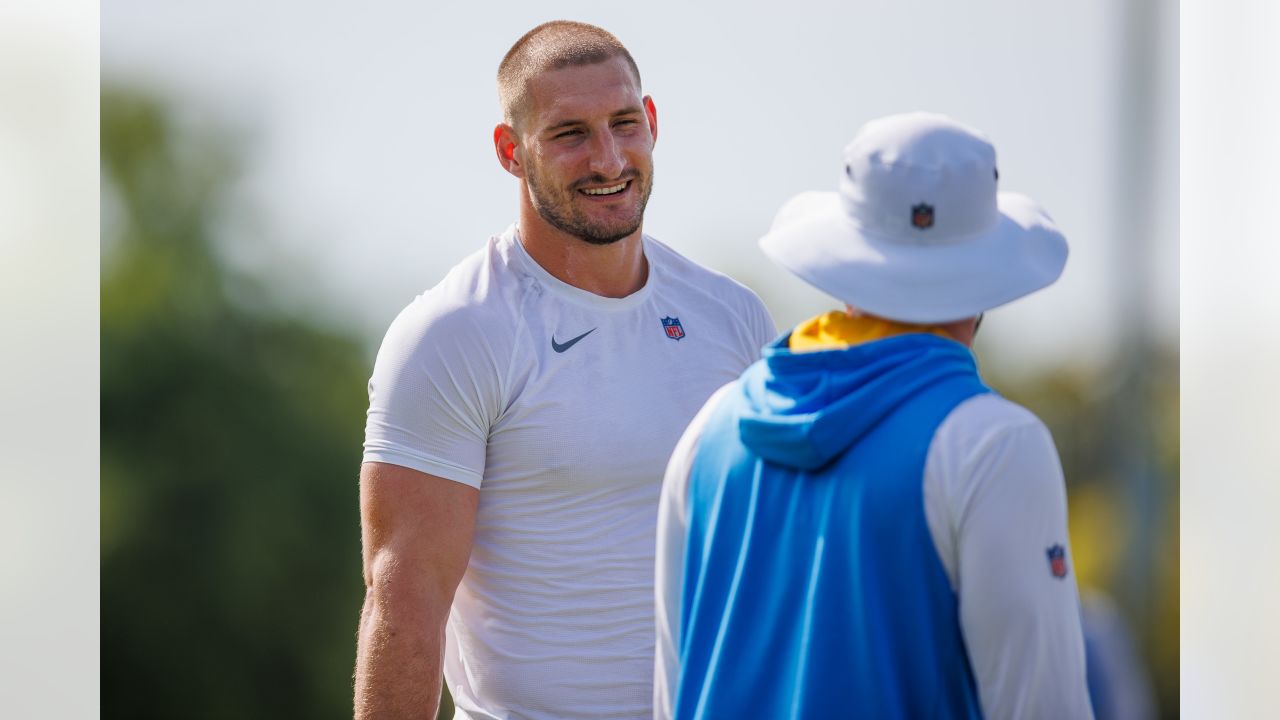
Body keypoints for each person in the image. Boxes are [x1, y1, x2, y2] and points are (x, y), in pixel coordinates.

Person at [354, 20, 776, 720]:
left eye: (623, 123)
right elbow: (406, 598)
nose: (608, 159)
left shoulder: (733, 317)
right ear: (510, 151)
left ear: (652, 123)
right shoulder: (454, 332)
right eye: (570, 134)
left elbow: (772, 558)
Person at [654, 113, 1093, 719]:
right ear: (986, 277)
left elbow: (673, 693)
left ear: (848, 264)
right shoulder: (995, 445)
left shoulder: (709, 430)